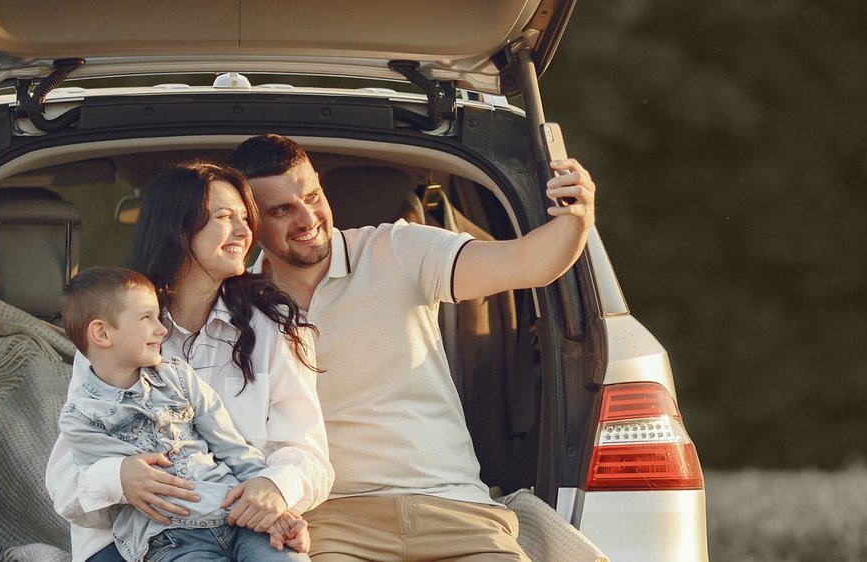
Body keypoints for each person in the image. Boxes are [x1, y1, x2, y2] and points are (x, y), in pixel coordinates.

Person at [225, 134, 597, 561]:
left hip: (456, 510)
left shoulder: (398, 248)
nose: (308, 218)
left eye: (312, 197)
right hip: (332, 522)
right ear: (250, 224)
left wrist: (577, 218)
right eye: (282, 210)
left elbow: (529, 263)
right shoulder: (236, 307)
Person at [46, 162, 334, 561]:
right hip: (139, 539)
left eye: (245, 218)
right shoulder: (117, 336)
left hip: (240, 519)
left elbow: (307, 454)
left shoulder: (274, 327)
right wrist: (119, 478)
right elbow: (65, 485)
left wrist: (274, 486)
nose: (244, 231)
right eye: (224, 217)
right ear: (179, 228)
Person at [55, 267, 310, 561]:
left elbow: (232, 446)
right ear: (102, 333)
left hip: (240, 517)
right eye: (146, 318)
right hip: (172, 537)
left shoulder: (178, 377)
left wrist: (273, 508)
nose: (161, 329)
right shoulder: (82, 417)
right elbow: (141, 495)